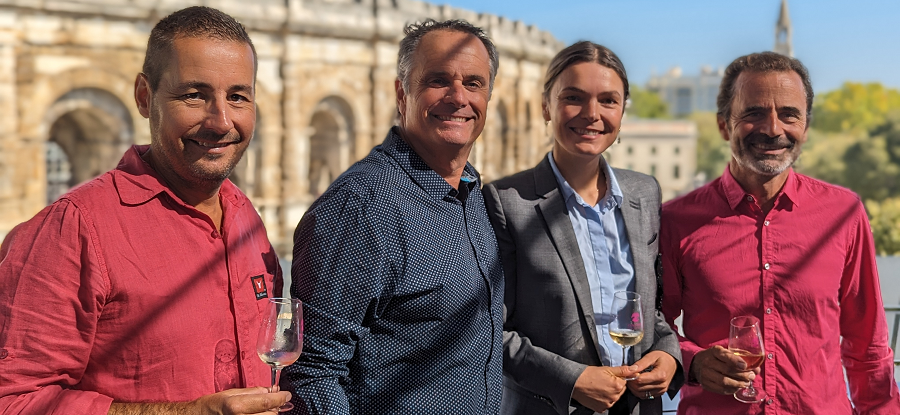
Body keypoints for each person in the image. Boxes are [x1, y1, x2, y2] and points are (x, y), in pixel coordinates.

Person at [0, 6, 291, 414]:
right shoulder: (74, 229)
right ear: (144, 96)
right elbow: (14, 401)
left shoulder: (245, 217)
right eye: (194, 95)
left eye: (238, 97)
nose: (221, 120)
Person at [283, 19, 503, 414]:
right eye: (438, 80)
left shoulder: (470, 193)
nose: (458, 97)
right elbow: (314, 370)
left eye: (474, 83)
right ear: (402, 93)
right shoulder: (363, 204)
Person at [661, 51, 900, 415]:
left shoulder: (844, 213)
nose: (773, 128)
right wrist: (692, 361)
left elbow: (866, 343)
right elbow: (650, 328)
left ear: (805, 126)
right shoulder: (676, 221)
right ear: (724, 125)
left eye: (789, 114)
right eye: (753, 112)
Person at [483, 41, 683, 415]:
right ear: (547, 105)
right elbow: (491, 330)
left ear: (623, 111)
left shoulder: (644, 193)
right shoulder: (505, 202)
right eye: (574, 97)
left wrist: (669, 356)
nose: (592, 114)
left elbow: (650, 312)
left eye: (608, 100)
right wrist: (571, 381)